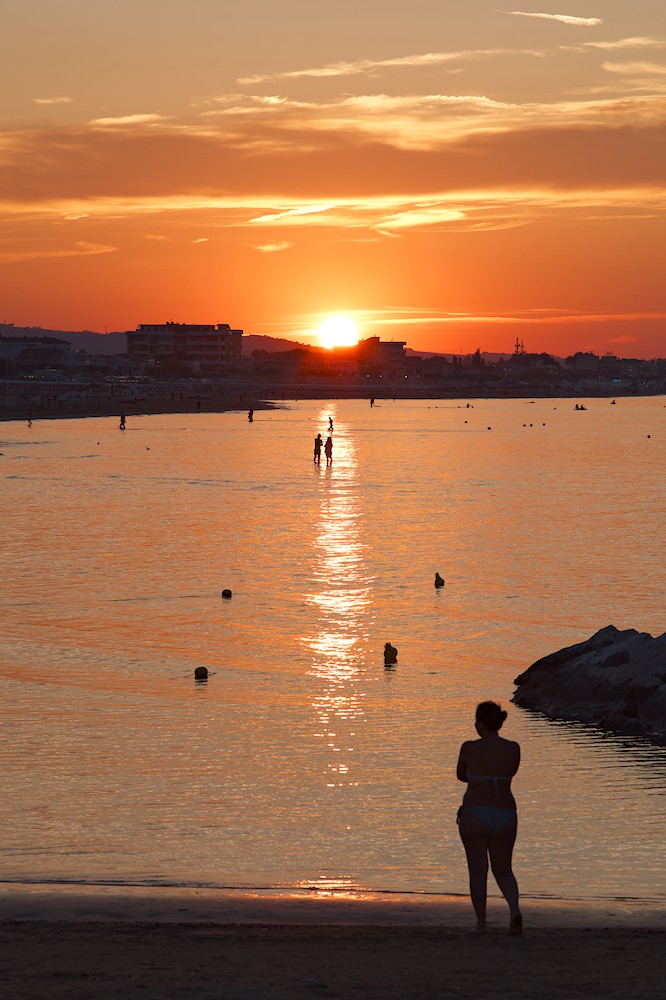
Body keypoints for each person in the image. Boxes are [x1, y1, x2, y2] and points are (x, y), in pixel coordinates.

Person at [456, 701, 522, 935]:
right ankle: (514, 910)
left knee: (478, 871)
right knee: (504, 870)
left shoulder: (468, 748)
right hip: (505, 814)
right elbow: (511, 772)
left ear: (480, 723)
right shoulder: (513, 748)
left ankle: (481, 924)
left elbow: (461, 775)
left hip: (475, 813)